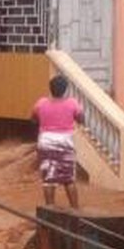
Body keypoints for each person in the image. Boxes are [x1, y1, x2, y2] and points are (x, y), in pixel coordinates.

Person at [32, 74, 84, 209]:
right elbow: (81, 120)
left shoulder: (41, 103)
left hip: (46, 141)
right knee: (69, 180)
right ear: (65, 90)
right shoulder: (72, 103)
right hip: (65, 142)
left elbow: (33, 119)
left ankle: (50, 211)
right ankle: (76, 211)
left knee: (49, 180)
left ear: (50, 89)